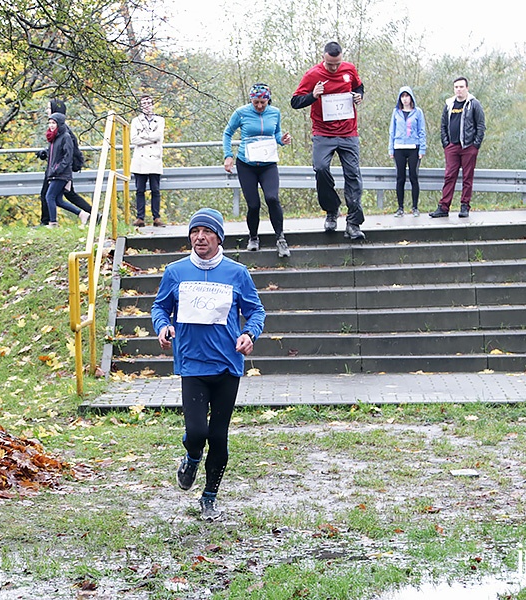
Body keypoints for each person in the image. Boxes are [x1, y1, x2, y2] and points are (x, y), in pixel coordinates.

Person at [151, 208, 265, 521]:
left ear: (218, 237)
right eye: (194, 231)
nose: (200, 237)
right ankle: (190, 457)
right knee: (197, 431)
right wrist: (162, 326)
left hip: (228, 365)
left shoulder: (236, 273)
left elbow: (256, 311)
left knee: (218, 436)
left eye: (207, 232)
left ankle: (209, 497)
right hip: (192, 364)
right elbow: (160, 307)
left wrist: (249, 333)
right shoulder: (175, 272)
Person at [291, 41, 366, 240]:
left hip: (349, 132)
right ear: (323, 57)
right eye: (330, 64)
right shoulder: (312, 75)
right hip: (323, 133)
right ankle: (332, 209)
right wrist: (313, 95)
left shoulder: (349, 69)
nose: (334, 68)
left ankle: (353, 223)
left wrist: (358, 96)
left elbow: (359, 87)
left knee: (353, 175)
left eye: (337, 64)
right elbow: (295, 102)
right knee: (321, 168)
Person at [223, 83, 294, 257]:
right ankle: (253, 237)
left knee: (272, 198)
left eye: (263, 102)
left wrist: (282, 139)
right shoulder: (241, 113)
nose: (260, 106)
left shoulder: (275, 112)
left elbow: (276, 134)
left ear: (268, 100)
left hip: (268, 164)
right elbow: (227, 133)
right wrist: (228, 155)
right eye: (256, 103)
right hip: (246, 164)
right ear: (251, 100)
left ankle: (281, 239)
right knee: (253, 205)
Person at [430, 77, 486, 218]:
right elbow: (443, 125)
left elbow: (480, 126)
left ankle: (464, 206)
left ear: (467, 88)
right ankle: (443, 207)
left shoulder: (474, 104)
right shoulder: (449, 105)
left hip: (468, 147)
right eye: (456, 87)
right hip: (452, 147)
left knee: (467, 177)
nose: (458, 90)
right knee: (449, 176)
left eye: (461, 87)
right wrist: (446, 143)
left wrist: (475, 145)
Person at [37, 99, 92, 226]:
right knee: (64, 196)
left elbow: (67, 151)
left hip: (60, 169)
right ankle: (91, 215)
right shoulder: (55, 131)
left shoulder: (64, 131)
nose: (47, 111)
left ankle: (48, 222)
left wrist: (58, 168)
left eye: (48, 108)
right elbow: (55, 148)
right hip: (57, 168)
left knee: (48, 195)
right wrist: (45, 152)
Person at [388, 86, 427, 217]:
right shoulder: (396, 112)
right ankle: (400, 208)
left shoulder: (418, 112)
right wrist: (390, 148)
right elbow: (391, 131)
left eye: (407, 96)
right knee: (400, 178)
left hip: (413, 148)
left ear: (411, 97)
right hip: (398, 147)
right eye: (402, 96)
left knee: (413, 177)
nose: (405, 99)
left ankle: (415, 207)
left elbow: (422, 131)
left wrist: (422, 148)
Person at [43, 112, 84, 227]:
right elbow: (54, 155)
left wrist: (57, 169)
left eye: (54, 123)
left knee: (49, 196)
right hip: (55, 173)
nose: (51, 125)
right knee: (58, 200)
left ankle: (53, 222)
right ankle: (82, 214)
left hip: (61, 173)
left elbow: (68, 156)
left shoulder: (65, 137)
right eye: (50, 123)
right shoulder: (53, 137)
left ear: (59, 124)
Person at [130, 95, 166, 226]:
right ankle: (140, 217)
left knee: (155, 189)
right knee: (140, 190)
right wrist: (151, 138)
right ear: (140, 106)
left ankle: (156, 217)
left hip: (154, 158)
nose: (147, 105)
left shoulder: (160, 120)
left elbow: (159, 136)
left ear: (153, 104)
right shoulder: (135, 121)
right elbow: (134, 139)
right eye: (144, 103)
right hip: (140, 160)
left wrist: (144, 137)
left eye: (149, 102)